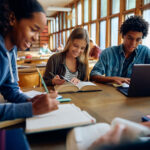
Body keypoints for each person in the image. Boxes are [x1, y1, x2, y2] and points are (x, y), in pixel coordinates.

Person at [0, 0, 59, 121]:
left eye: (39, 33)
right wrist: (31, 109)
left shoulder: (12, 50)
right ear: (12, 19)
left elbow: (10, 90)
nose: (36, 38)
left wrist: (29, 101)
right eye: (33, 29)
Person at [90, 16, 150, 85]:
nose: (133, 43)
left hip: (137, 92)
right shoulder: (108, 53)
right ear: (123, 36)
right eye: (130, 38)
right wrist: (112, 79)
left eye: (138, 40)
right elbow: (93, 75)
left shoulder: (145, 52)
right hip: (112, 93)